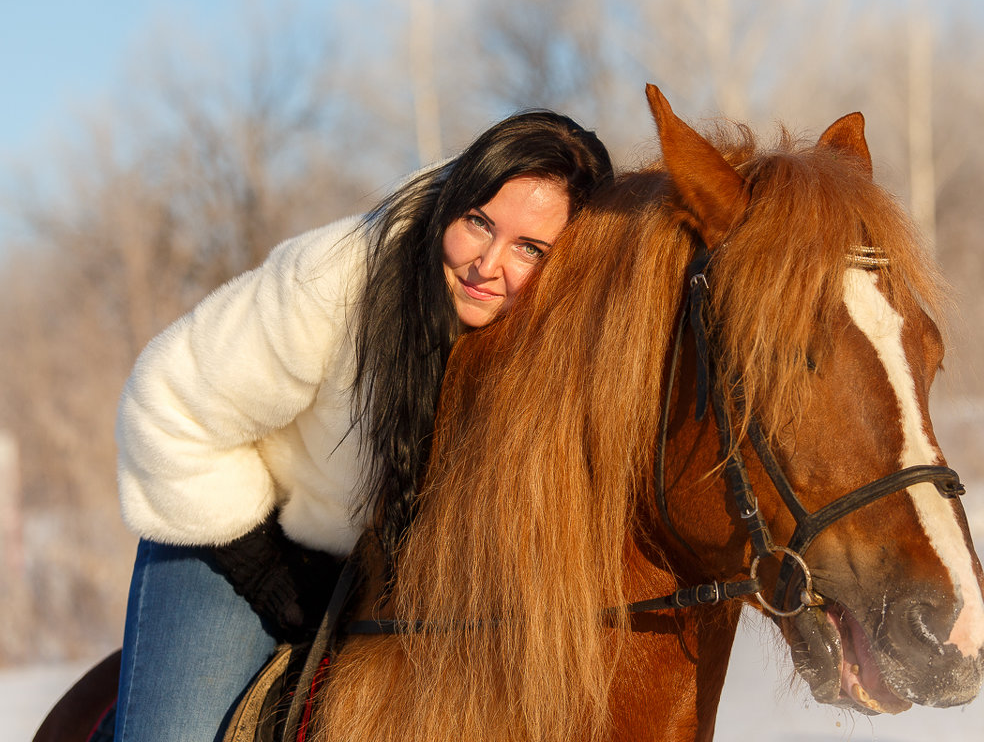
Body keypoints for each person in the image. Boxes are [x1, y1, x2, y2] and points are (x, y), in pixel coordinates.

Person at [111, 110, 614, 742]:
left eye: (529, 249)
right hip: (233, 537)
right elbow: (168, 400)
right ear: (451, 206)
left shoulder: (569, 337)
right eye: (478, 223)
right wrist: (263, 569)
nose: (487, 265)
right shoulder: (336, 279)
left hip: (384, 578)